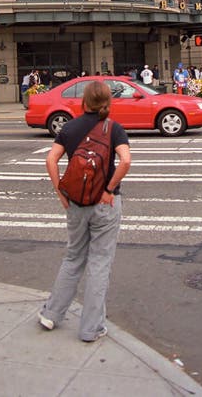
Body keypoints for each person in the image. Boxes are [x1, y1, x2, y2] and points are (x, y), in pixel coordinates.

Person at [38, 80, 131, 342]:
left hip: (76, 203)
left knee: (73, 257)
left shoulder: (69, 127)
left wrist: (60, 191)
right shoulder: (113, 129)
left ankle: (51, 314)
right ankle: (91, 328)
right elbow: (125, 160)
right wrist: (109, 190)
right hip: (105, 205)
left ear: (84, 102)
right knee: (99, 263)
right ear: (108, 103)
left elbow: (50, 159)